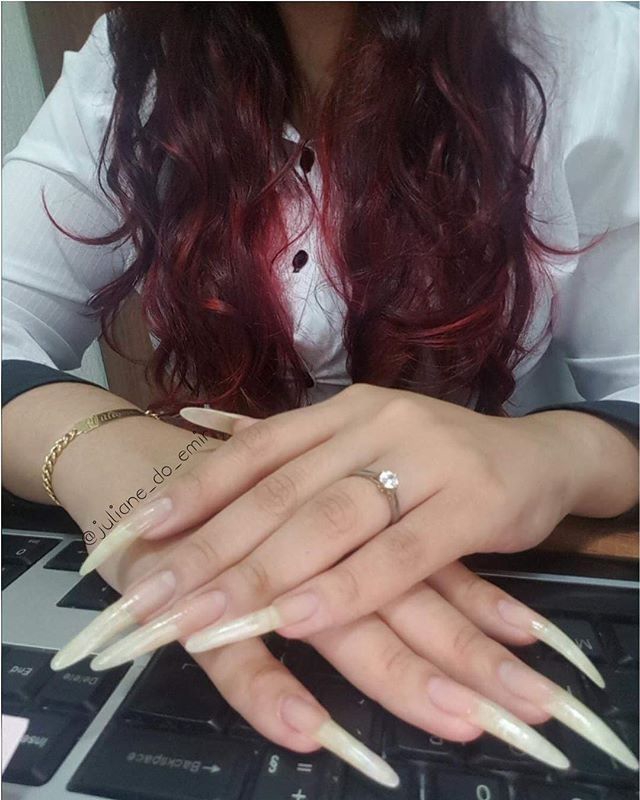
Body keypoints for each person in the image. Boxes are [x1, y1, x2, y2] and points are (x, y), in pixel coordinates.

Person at [2, 1, 638, 787]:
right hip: (209, 570)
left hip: (483, 562)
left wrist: (559, 454)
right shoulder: (132, 59)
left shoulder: (597, 51)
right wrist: (99, 445)